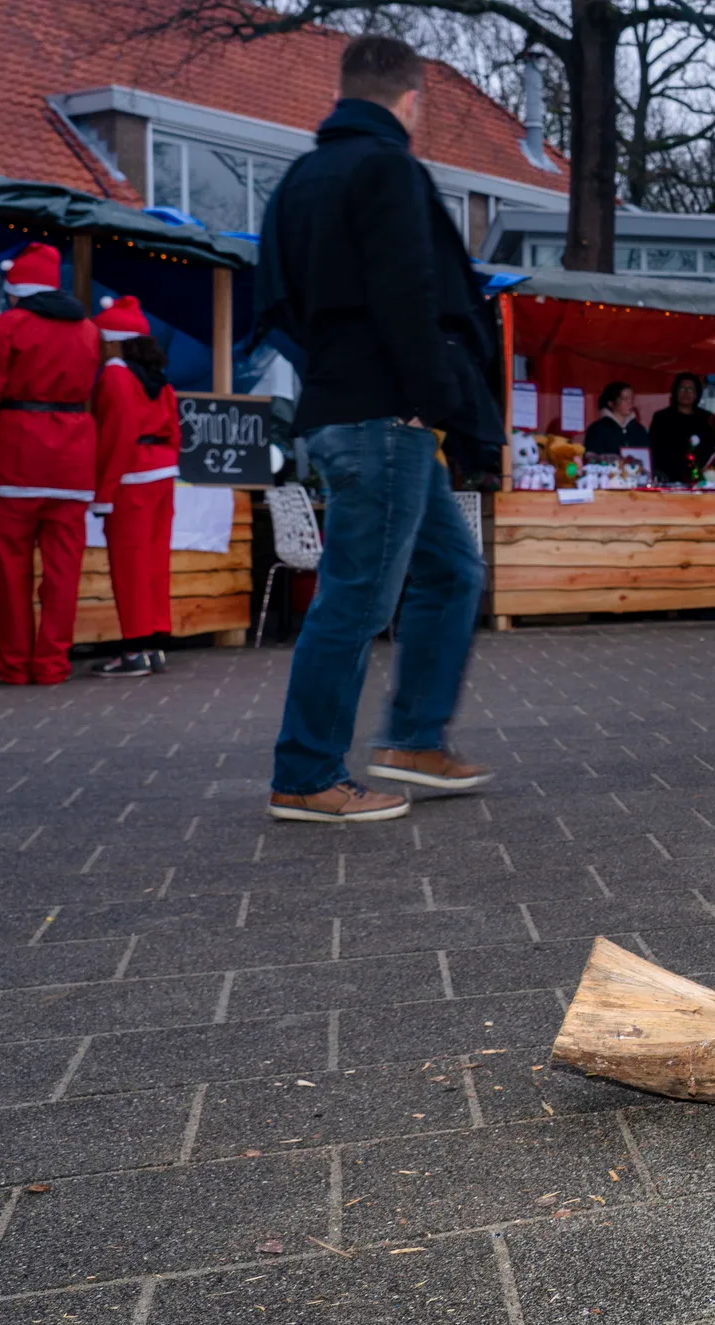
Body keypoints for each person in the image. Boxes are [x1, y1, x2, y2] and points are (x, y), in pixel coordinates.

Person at [256, 35, 502, 822]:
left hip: (342, 408)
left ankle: (412, 740)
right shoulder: (389, 170)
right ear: (410, 100)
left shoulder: (299, 178)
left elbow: (276, 303)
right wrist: (441, 403)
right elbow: (412, 297)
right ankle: (305, 773)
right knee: (357, 601)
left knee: (452, 571)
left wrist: (337, 366)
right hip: (386, 418)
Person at [0, 243, 101, 684]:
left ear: (17, 290)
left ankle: (15, 665)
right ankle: (53, 664)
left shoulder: (5, 327)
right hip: (72, 463)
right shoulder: (90, 332)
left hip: (13, 462)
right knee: (64, 572)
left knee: (8, 571)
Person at [88, 296, 179, 677]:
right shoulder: (158, 378)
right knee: (154, 564)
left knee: (129, 565)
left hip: (130, 479)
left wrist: (103, 493)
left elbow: (116, 436)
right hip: (161, 475)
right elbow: (175, 430)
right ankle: (155, 643)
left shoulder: (115, 376)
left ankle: (133, 650)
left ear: (111, 340)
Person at [648, 373, 715, 484]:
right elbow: (654, 448)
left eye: (690, 389)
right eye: (682, 388)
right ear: (675, 391)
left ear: (697, 393)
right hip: (668, 479)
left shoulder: (707, 418)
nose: (686, 393)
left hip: (701, 479)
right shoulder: (662, 417)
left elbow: (711, 449)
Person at [586, 381, 648, 455]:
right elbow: (591, 456)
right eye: (625, 399)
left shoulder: (639, 429)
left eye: (632, 398)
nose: (630, 402)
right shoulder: (598, 429)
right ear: (611, 403)